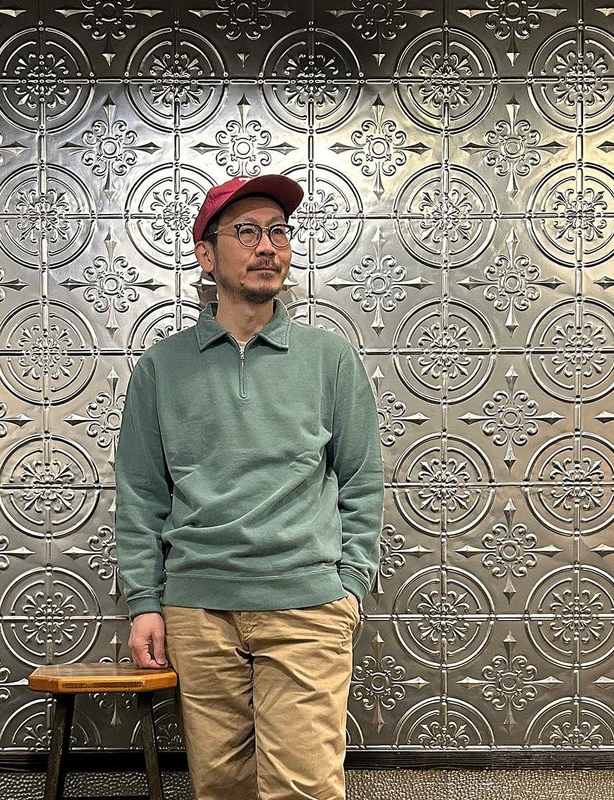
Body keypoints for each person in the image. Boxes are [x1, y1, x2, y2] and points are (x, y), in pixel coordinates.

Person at [115, 173, 384, 800]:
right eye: (247, 232)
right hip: (197, 609)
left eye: (279, 232)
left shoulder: (330, 359)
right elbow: (142, 492)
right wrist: (145, 602)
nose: (268, 246)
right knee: (222, 789)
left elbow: (362, 479)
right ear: (206, 256)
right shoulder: (162, 367)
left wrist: (348, 585)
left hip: (307, 603)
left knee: (304, 789)